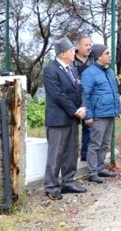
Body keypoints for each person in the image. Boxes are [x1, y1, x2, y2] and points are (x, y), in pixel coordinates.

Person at [43, 36, 87, 200]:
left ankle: (68, 181)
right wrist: (75, 111)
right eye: (71, 50)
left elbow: (80, 89)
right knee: (56, 154)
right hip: (58, 120)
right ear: (62, 54)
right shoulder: (51, 70)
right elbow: (58, 95)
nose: (73, 52)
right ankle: (51, 187)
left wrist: (82, 107)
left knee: (71, 151)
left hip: (72, 118)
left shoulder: (72, 68)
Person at [81, 44, 121, 183]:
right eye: (106, 53)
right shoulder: (89, 73)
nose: (109, 56)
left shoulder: (109, 71)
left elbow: (114, 91)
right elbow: (85, 95)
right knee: (95, 144)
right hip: (98, 115)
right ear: (98, 56)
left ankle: (100, 168)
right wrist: (88, 115)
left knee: (105, 143)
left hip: (109, 113)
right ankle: (92, 172)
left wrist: (118, 109)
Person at [73, 35, 93, 162]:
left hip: (89, 98)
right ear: (78, 46)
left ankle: (86, 154)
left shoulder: (92, 61)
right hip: (74, 98)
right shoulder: (71, 60)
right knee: (72, 129)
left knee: (89, 127)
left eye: (90, 45)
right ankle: (72, 157)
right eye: (86, 45)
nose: (89, 48)